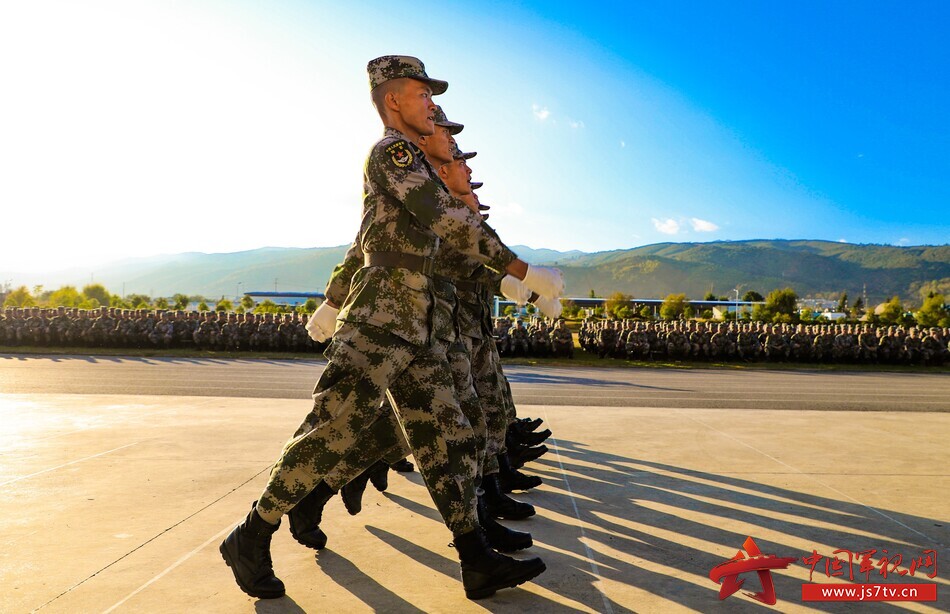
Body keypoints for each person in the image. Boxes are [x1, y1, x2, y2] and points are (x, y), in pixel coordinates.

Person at [220, 55, 563, 601]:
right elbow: (445, 219)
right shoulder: (393, 152)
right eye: (422, 94)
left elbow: (367, 238)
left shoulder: (418, 165)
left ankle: (475, 557)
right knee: (333, 430)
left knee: (446, 435)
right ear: (393, 100)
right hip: (381, 321)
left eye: (431, 95)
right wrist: (521, 270)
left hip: (422, 326)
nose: (432, 104)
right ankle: (252, 532)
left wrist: (333, 296)